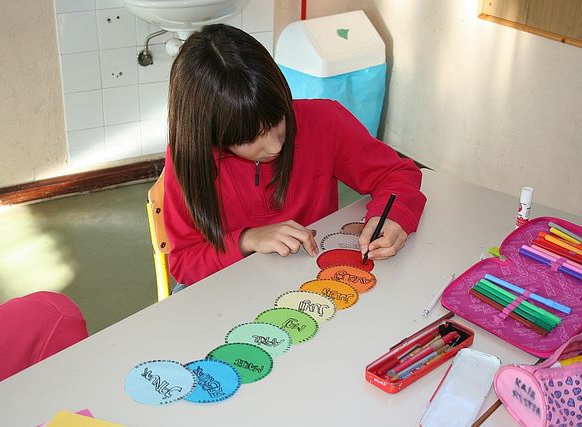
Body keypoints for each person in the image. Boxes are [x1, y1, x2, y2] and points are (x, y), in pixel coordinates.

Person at [163, 24, 426, 287]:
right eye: (248, 138)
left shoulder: (324, 122)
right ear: (210, 134)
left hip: (311, 280)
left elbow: (396, 173)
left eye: (277, 119)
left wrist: (393, 216)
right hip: (228, 286)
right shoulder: (188, 159)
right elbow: (185, 263)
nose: (274, 146)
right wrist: (247, 240)